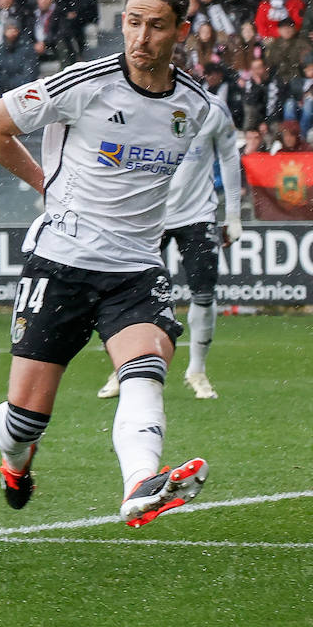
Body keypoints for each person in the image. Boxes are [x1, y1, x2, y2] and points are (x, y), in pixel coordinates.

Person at [0, 0, 214, 528]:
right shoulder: (85, 83)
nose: (141, 37)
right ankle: (15, 460)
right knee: (24, 422)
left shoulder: (196, 105)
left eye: (156, 26)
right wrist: (44, 185)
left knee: (146, 369)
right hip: (60, 264)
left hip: (135, 272)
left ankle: (140, 485)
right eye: (132, 22)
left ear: (181, 31)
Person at [98, 97, 242, 401]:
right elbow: (114, 154)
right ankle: (124, 367)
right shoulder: (137, 103)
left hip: (198, 215)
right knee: (132, 294)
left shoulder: (213, 108)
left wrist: (233, 215)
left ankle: (197, 371)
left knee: (203, 293)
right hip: (149, 214)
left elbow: (229, 157)